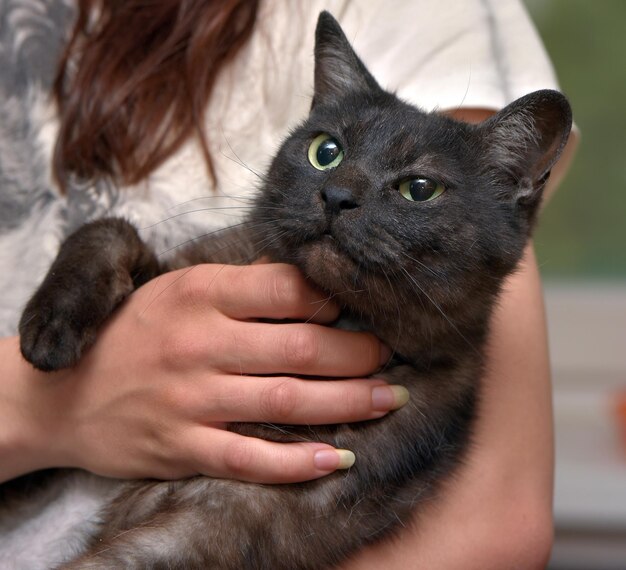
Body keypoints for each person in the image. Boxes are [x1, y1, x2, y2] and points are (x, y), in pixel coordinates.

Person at [0, 0, 577, 567]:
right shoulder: (237, 255)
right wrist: (52, 402)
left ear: (512, 200)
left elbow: (497, 528)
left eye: (416, 188)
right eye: (326, 152)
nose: (340, 190)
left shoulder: (436, 14)